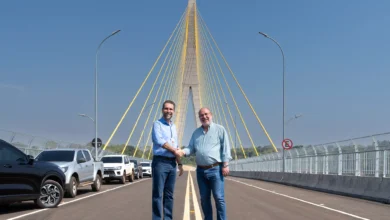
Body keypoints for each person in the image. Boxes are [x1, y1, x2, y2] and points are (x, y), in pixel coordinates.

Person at [177, 107, 231, 220]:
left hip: (215, 169)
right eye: (201, 115)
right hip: (201, 171)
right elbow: (190, 148)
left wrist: (225, 165)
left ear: (211, 115)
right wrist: (182, 151)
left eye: (206, 114)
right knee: (204, 198)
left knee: (218, 198)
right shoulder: (196, 133)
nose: (204, 117)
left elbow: (226, 148)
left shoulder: (220, 129)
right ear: (199, 118)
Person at [151, 100, 184, 220]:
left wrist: (179, 163)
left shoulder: (174, 127)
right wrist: (174, 151)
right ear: (162, 110)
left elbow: (176, 146)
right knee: (158, 195)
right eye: (166, 108)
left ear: (174, 111)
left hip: (171, 163)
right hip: (160, 162)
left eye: (171, 109)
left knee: (169, 195)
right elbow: (159, 141)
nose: (168, 111)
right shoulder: (157, 124)